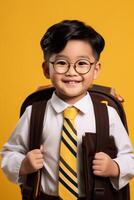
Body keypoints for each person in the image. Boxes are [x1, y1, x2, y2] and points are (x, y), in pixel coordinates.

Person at [1, 20, 134, 200]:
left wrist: (114, 167)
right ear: (47, 69)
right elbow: (9, 153)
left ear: (96, 70)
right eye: (62, 63)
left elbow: (129, 158)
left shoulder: (107, 114)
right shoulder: (35, 113)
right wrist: (23, 164)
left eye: (82, 63)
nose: (72, 72)